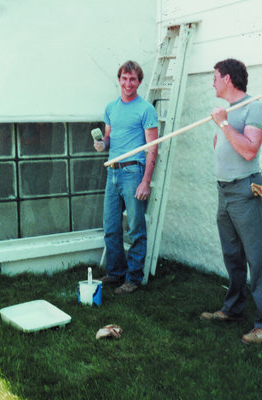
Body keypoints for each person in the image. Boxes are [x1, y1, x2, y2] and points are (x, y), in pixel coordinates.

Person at [200, 58, 262, 344]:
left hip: (246, 190)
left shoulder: (256, 107)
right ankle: (233, 309)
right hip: (224, 192)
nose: (213, 83)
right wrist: (223, 125)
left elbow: (248, 151)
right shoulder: (228, 111)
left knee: (257, 259)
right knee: (233, 256)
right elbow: (223, 146)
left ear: (228, 79)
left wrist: (223, 124)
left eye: (216, 77)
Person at [94, 60, 158, 294]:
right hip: (112, 171)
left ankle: (133, 278)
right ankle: (115, 273)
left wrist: (145, 181)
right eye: (124, 78)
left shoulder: (146, 110)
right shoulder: (111, 108)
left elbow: (153, 148)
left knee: (135, 228)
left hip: (133, 172)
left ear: (139, 82)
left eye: (133, 79)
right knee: (111, 226)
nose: (128, 83)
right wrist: (102, 144)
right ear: (119, 79)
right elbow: (109, 139)